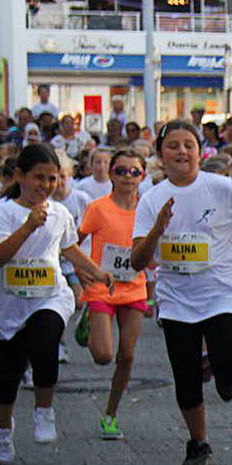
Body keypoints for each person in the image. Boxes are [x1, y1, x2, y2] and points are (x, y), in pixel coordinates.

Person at [131, 120, 232, 465]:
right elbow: (138, 259)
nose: (182, 151)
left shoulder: (222, 187)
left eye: (189, 144)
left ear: (200, 150)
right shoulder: (152, 198)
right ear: (161, 155)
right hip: (176, 300)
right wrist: (158, 230)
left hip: (220, 294)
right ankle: (198, 442)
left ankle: (222, 371)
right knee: (185, 379)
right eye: (173, 146)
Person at [0, 143, 113, 464]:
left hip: (50, 295)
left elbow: (68, 248)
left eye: (52, 179)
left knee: (45, 341)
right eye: (38, 178)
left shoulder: (60, 213)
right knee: (8, 373)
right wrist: (28, 226)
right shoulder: (3, 213)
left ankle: (44, 410)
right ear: (20, 176)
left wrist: (95, 272)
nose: (45, 186)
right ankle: (2, 429)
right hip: (12, 302)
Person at [76, 150, 149, 440]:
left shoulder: (146, 209)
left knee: (127, 356)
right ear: (111, 175)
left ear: (143, 176)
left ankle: (110, 415)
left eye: (135, 172)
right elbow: (73, 241)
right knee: (104, 355)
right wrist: (80, 269)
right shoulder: (98, 209)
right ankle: (89, 321)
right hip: (101, 287)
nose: (127, 177)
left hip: (133, 287)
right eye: (121, 171)